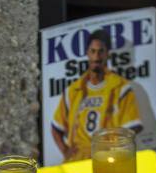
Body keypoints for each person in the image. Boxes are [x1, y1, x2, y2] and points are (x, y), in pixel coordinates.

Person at [51, 29, 143, 162]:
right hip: (78, 160)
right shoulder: (73, 90)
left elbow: (133, 127)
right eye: (92, 51)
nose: (96, 56)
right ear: (87, 53)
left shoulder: (121, 88)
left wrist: (113, 149)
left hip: (107, 158)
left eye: (101, 51)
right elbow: (56, 127)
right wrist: (65, 151)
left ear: (107, 54)